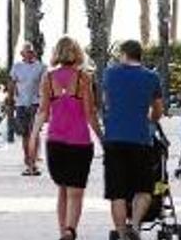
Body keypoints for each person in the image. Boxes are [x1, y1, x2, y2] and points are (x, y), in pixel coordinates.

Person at [30, 37, 102, 240]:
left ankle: (63, 232)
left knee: (62, 189)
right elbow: (90, 114)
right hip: (80, 142)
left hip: (55, 142)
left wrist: (33, 138)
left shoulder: (48, 77)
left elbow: (42, 111)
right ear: (77, 53)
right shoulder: (83, 79)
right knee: (75, 192)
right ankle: (70, 230)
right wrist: (102, 139)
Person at [102, 40, 164, 240]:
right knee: (144, 188)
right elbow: (158, 110)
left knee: (117, 192)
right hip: (140, 138)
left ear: (123, 55)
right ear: (140, 56)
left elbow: (106, 102)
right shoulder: (152, 77)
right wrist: (150, 121)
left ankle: (121, 233)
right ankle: (135, 227)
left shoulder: (110, 74)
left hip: (114, 138)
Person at [8, 42, 45, 176]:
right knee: (25, 134)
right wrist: (10, 99)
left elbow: (45, 86)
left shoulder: (41, 67)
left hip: (36, 104)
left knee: (34, 133)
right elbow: (12, 83)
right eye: (26, 51)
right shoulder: (17, 67)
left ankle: (33, 163)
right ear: (22, 54)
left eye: (31, 51)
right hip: (21, 104)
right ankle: (28, 160)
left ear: (34, 53)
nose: (29, 54)